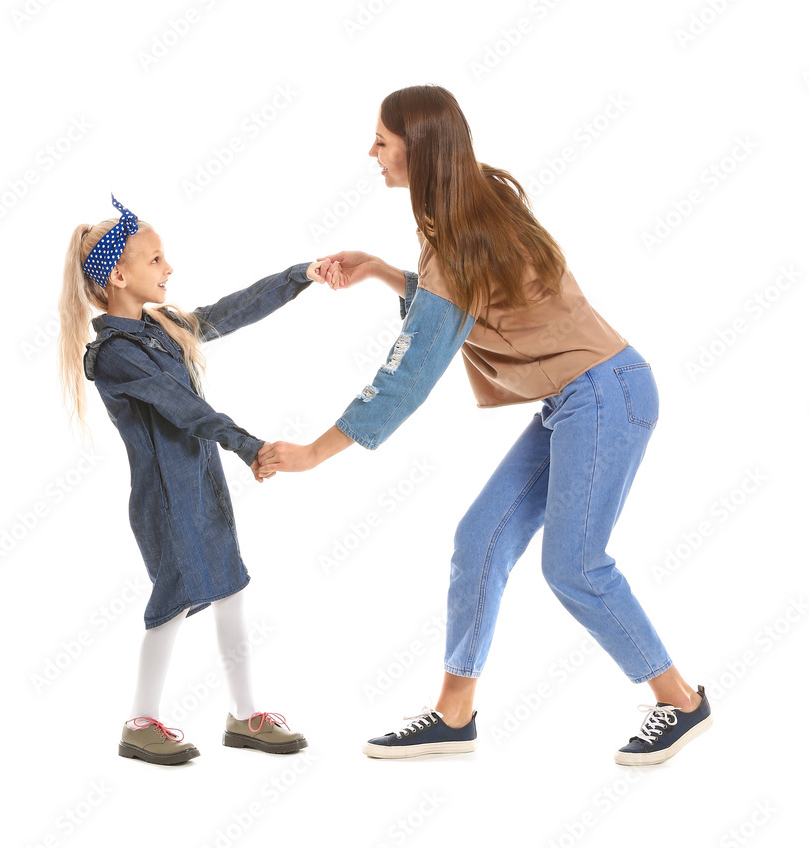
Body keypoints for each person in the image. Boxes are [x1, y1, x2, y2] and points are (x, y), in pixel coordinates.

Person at [256, 85, 713, 765]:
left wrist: (315, 453)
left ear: (421, 148)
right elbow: (464, 308)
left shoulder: (457, 233)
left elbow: (410, 371)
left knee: (574, 568)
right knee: (480, 540)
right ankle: (453, 713)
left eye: (382, 141)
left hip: (605, 393)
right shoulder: (468, 209)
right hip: (578, 399)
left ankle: (680, 700)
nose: (371, 152)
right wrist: (384, 272)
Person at [57, 193, 342, 764]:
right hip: (167, 499)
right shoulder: (115, 354)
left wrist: (300, 276)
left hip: (201, 485)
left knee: (230, 588)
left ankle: (244, 715)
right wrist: (251, 446)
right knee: (175, 602)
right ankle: (140, 722)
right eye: (156, 259)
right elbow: (186, 411)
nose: (169, 269)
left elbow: (231, 311)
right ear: (118, 274)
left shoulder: (161, 327)